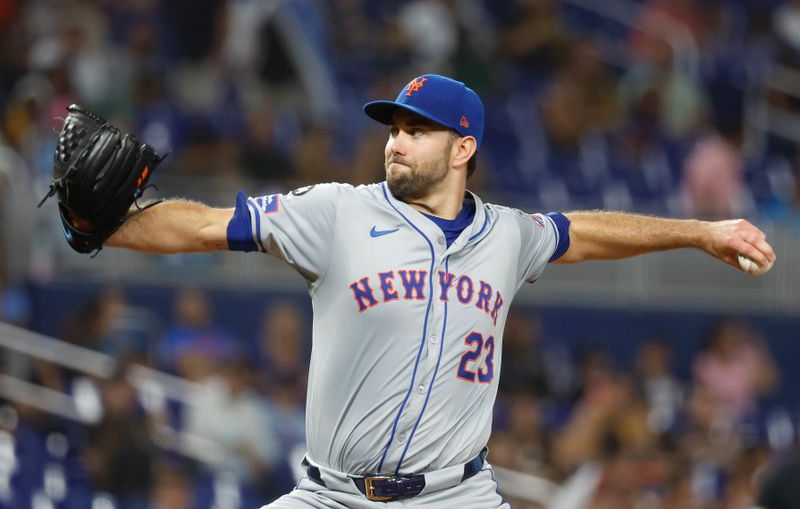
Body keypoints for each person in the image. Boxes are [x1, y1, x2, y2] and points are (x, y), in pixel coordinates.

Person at [100, 74, 775, 508]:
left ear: (462, 148)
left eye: (417, 129)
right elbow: (205, 224)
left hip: (457, 495)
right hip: (333, 495)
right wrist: (104, 226)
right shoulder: (337, 212)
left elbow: (588, 233)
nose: (397, 142)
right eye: (394, 128)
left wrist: (698, 231)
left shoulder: (508, 235)